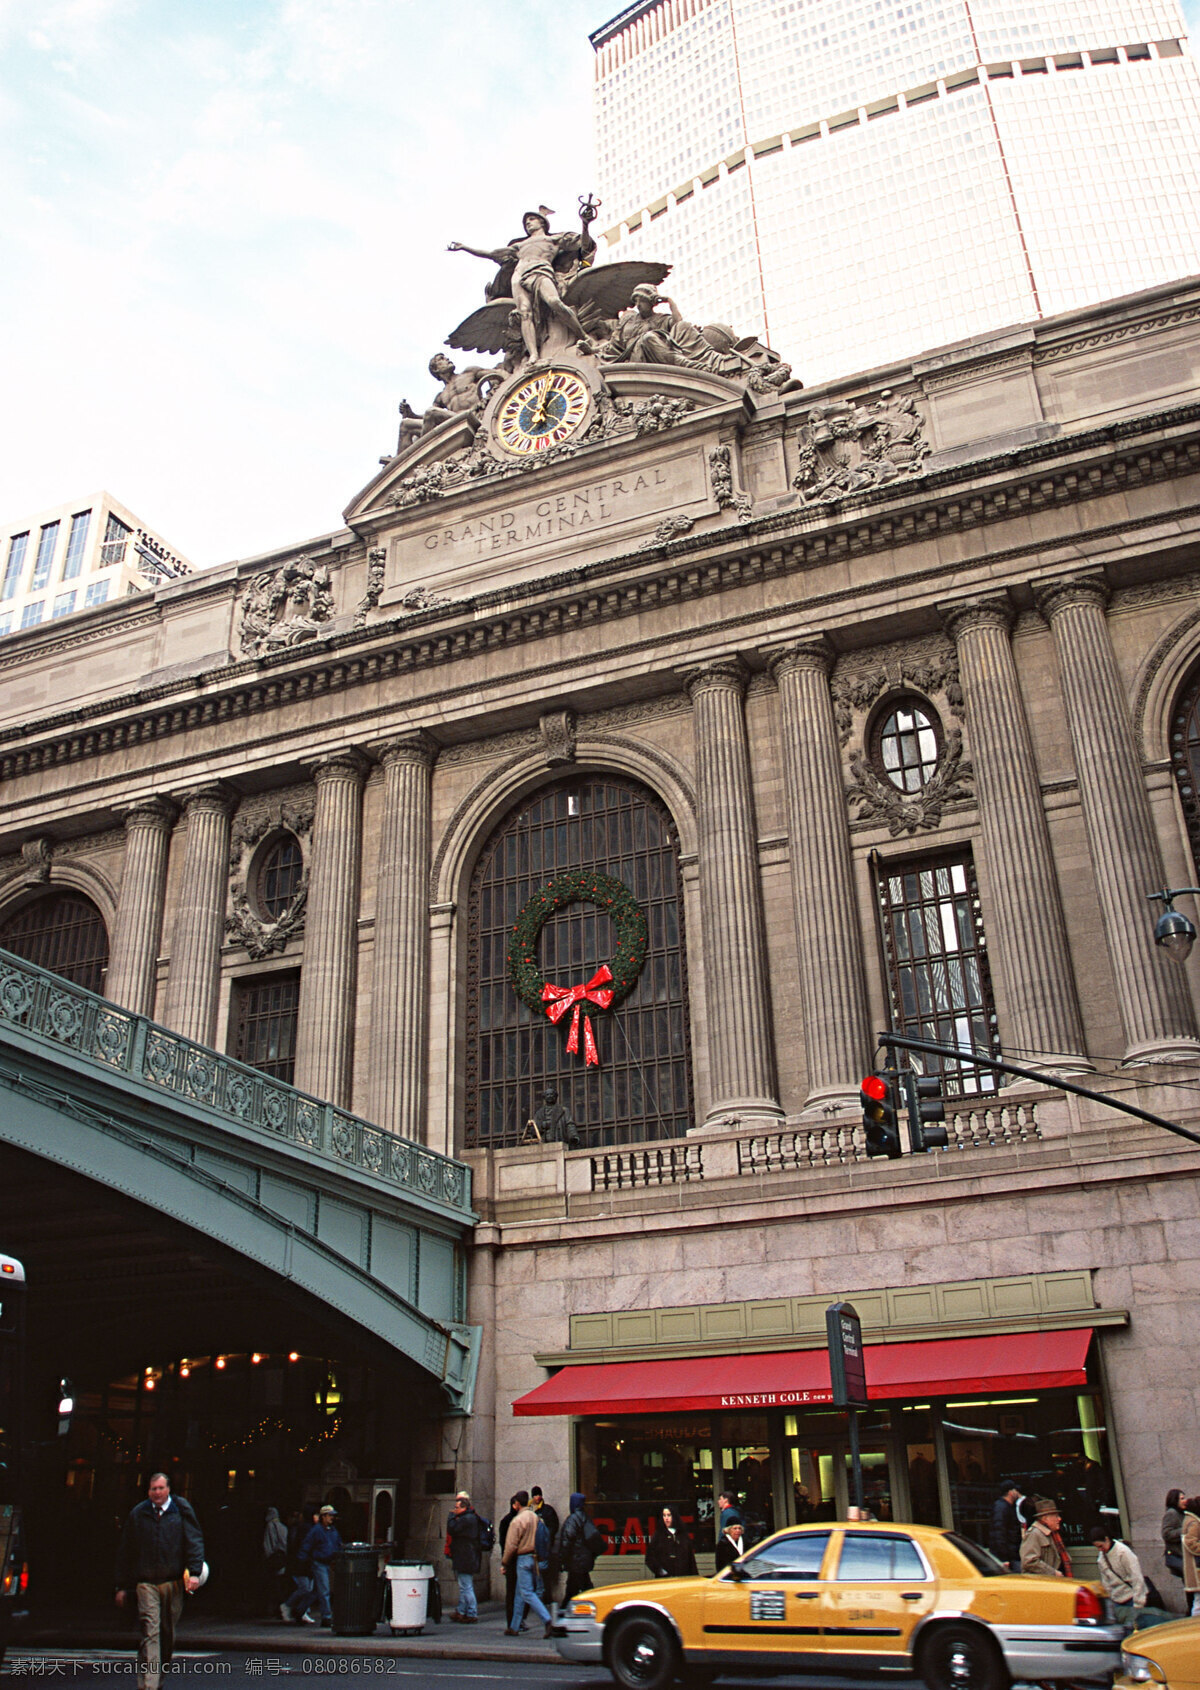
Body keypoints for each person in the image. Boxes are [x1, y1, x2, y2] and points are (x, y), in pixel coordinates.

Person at [114, 1472, 205, 1690]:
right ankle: (149, 1685)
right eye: (153, 1489)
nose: (157, 1492)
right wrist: (122, 1586)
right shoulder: (139, 1514)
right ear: (148, 1491)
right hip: (146, 1583)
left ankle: (157, 1680)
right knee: (150, 1632)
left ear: (169, 1489)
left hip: (173, 1582)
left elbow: (194, 1541)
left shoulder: (181, 1511)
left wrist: (194, 1572)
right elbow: (127, 1551)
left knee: (166, 1635)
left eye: (161, 1488)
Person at [1090, 1526, 1175, 1630]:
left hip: (1132, 1597)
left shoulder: (1123, 1552)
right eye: (1097, 1547)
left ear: (1107, 1539)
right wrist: (1110, 1600)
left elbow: (1136, 1577)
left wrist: (1138, 1603)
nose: (1100, 1550)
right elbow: (1106, 1582)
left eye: (1101, 1546)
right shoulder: (1101, 1559)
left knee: (1137, 1627)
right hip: (1117, 1599)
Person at [502, 1489, 553, 1637]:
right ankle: (514, 1626)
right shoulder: (536, 1517)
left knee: (527, 1593)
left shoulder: (517, 1521)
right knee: (521, 1592)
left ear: (517, 1504)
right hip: (535, 1558)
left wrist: (504, 1563)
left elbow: (511, 1545)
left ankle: (548, 1620)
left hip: (523, 1558)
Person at [293, 1505, 342, 1627]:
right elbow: (307, 1545)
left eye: (333, 1516)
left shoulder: (332, 1530)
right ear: (323, 1517)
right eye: (330, 1515)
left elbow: (338, 1544)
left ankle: (299, 1610)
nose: (332, 1518)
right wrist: (302, 1559)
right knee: (324, 1589)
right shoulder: (317, 1530)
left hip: (327, 1562)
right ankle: (326, 1616)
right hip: (319, 1562)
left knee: (316, 1591)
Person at [556, 1493, 606, 1604]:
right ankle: (567, 1610)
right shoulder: (585, 1517)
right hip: (583, 1561)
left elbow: (566, 1541)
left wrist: (561, 1560)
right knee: (578, 1587)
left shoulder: (573, 1519)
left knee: (578, 1589)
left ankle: (595, 1606)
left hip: (576, 1561)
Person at [445, 1490, 482, 1623]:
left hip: (465, 1557)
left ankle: (472, 1612)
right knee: (464, 1585)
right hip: (466, 1556)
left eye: (457, 1507)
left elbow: (452, 1529)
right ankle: (463, 1610)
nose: (455, 1509)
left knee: (466, 1586)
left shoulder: (466, 1519)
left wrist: (450, 1517)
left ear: (464, 1507)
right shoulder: (470, 1517)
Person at [1020, 1499, 1071, 1577]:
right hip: (1042, 1583)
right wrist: (1053, 1572)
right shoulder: (1034, 1534)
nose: (1059, 1519)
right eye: (1056, 1516)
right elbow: (1029, 1561)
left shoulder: (1053, 1534)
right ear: (1045, 1518)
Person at [646, 1507, 698, 1578]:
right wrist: (660, 1571)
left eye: (669, 1515)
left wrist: (694, 1578)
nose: (666, 1518)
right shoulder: (658, 1535)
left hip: (682, 1578)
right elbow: (649, 1558)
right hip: (664, 1580)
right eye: (664, 1515)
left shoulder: (683, 1535)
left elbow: (691, 1560)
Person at [498, 1493, 522, 1629]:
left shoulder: (508, 1521)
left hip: (512, 1559)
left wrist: (504, 1561)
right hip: (517, 1559)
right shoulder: (512, 1521)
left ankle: (512, 1621)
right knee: (520, 1593)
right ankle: (515, 1621)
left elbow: (504, 1544)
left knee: (513, 1593)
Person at [989, 1485, 1024, 1570]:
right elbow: (999, 1533)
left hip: (1011, 1553)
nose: (1018, 1493)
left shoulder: (1007, 1506)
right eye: (1015, 1490)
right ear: (1010, 1492)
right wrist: (1003, 1557)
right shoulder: (1001, 1507)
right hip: (1008, 1556)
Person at [262, 1506, 288, 1617]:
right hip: (282, 1558)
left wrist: (267, 1558)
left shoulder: (270, 1526)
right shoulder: (283, 1527)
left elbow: (268, 1544)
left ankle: (273, 1609)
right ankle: (280, 1609)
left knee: (271, 1585)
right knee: (279, 1584)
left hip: (272, 1559)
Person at [1163, 1487, 1186, 1583]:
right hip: (1179, 1555)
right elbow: (1166, 1534)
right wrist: (1185, 1530)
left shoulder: (1181, 1513)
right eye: (1181, 1499)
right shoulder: (1171, 1513)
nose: (1184, 1501)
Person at [1182, 1495, 1200, 1615]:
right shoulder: (1194, 1523)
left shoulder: (1189, 1520)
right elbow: (1190, 1541)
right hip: (1197, 1567)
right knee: (1198, 1602)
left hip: (1195, 1566)